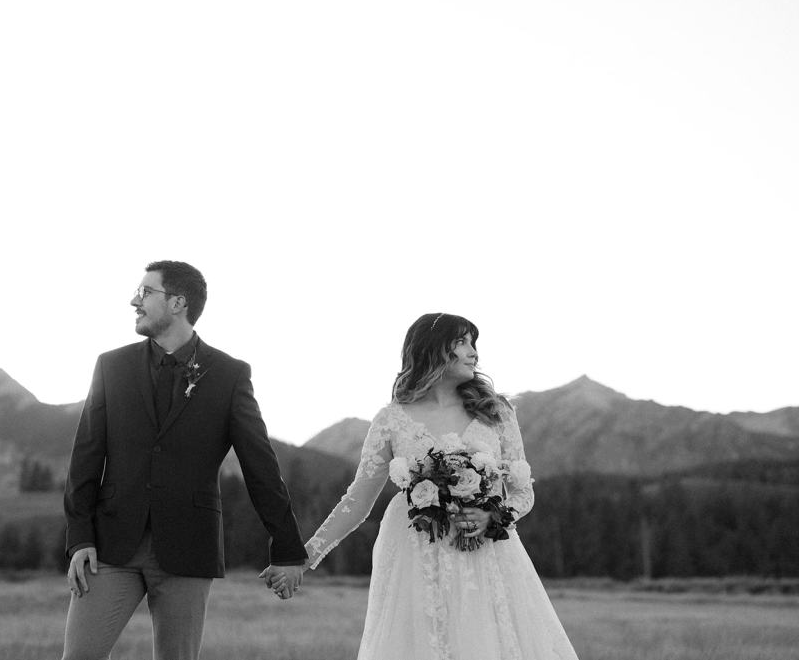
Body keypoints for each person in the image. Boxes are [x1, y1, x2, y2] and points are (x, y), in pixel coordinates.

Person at [277, 313, 579, 660]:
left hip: (485, 558)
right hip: (415, 558)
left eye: (474, 343)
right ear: (434, 349)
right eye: (463, 342)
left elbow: (524, 492)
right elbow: (357, 501)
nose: (474, 352)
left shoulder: (496, 413)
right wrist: (303, 558)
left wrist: (491, 516)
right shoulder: (392, 420)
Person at [61, 260, 308, 660]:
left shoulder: (228, 374)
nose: (133, 301)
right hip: (109, 544)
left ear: (177, 302)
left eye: (145, 293)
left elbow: (260, 465)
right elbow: (85, 459)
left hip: (188, 547)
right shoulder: (111, 366)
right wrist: (79, 538)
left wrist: (287, 548)